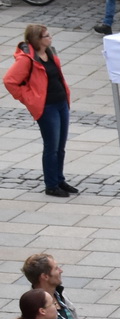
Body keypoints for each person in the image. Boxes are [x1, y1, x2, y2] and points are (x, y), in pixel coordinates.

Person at [5, 25, 73, 198]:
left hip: (61, 103)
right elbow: (10, 81)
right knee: (52, 147)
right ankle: (51, 185)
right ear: (37, 40)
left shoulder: (50, 53)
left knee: (61, 146)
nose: (50, 38)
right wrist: (29, 98)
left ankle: (59, 179)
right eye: (47, 36)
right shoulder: (27, 60)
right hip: (47, 107)